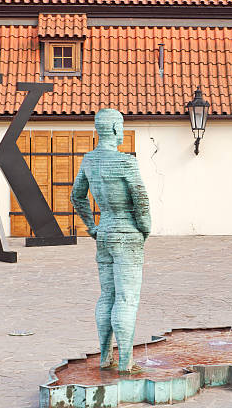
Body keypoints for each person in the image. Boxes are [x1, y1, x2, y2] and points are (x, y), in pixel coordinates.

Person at [71, 108, 151, 373]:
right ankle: (126, 361)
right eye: (122, 127)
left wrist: (92, 226)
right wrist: (145, 229)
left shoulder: (89, 161)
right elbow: (141, 200)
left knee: (107, 295)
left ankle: (106, 356)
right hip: (126, 233)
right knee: (126, 299)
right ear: (116, 129)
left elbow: (77, 197)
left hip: (104, 232)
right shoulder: (125, 162)